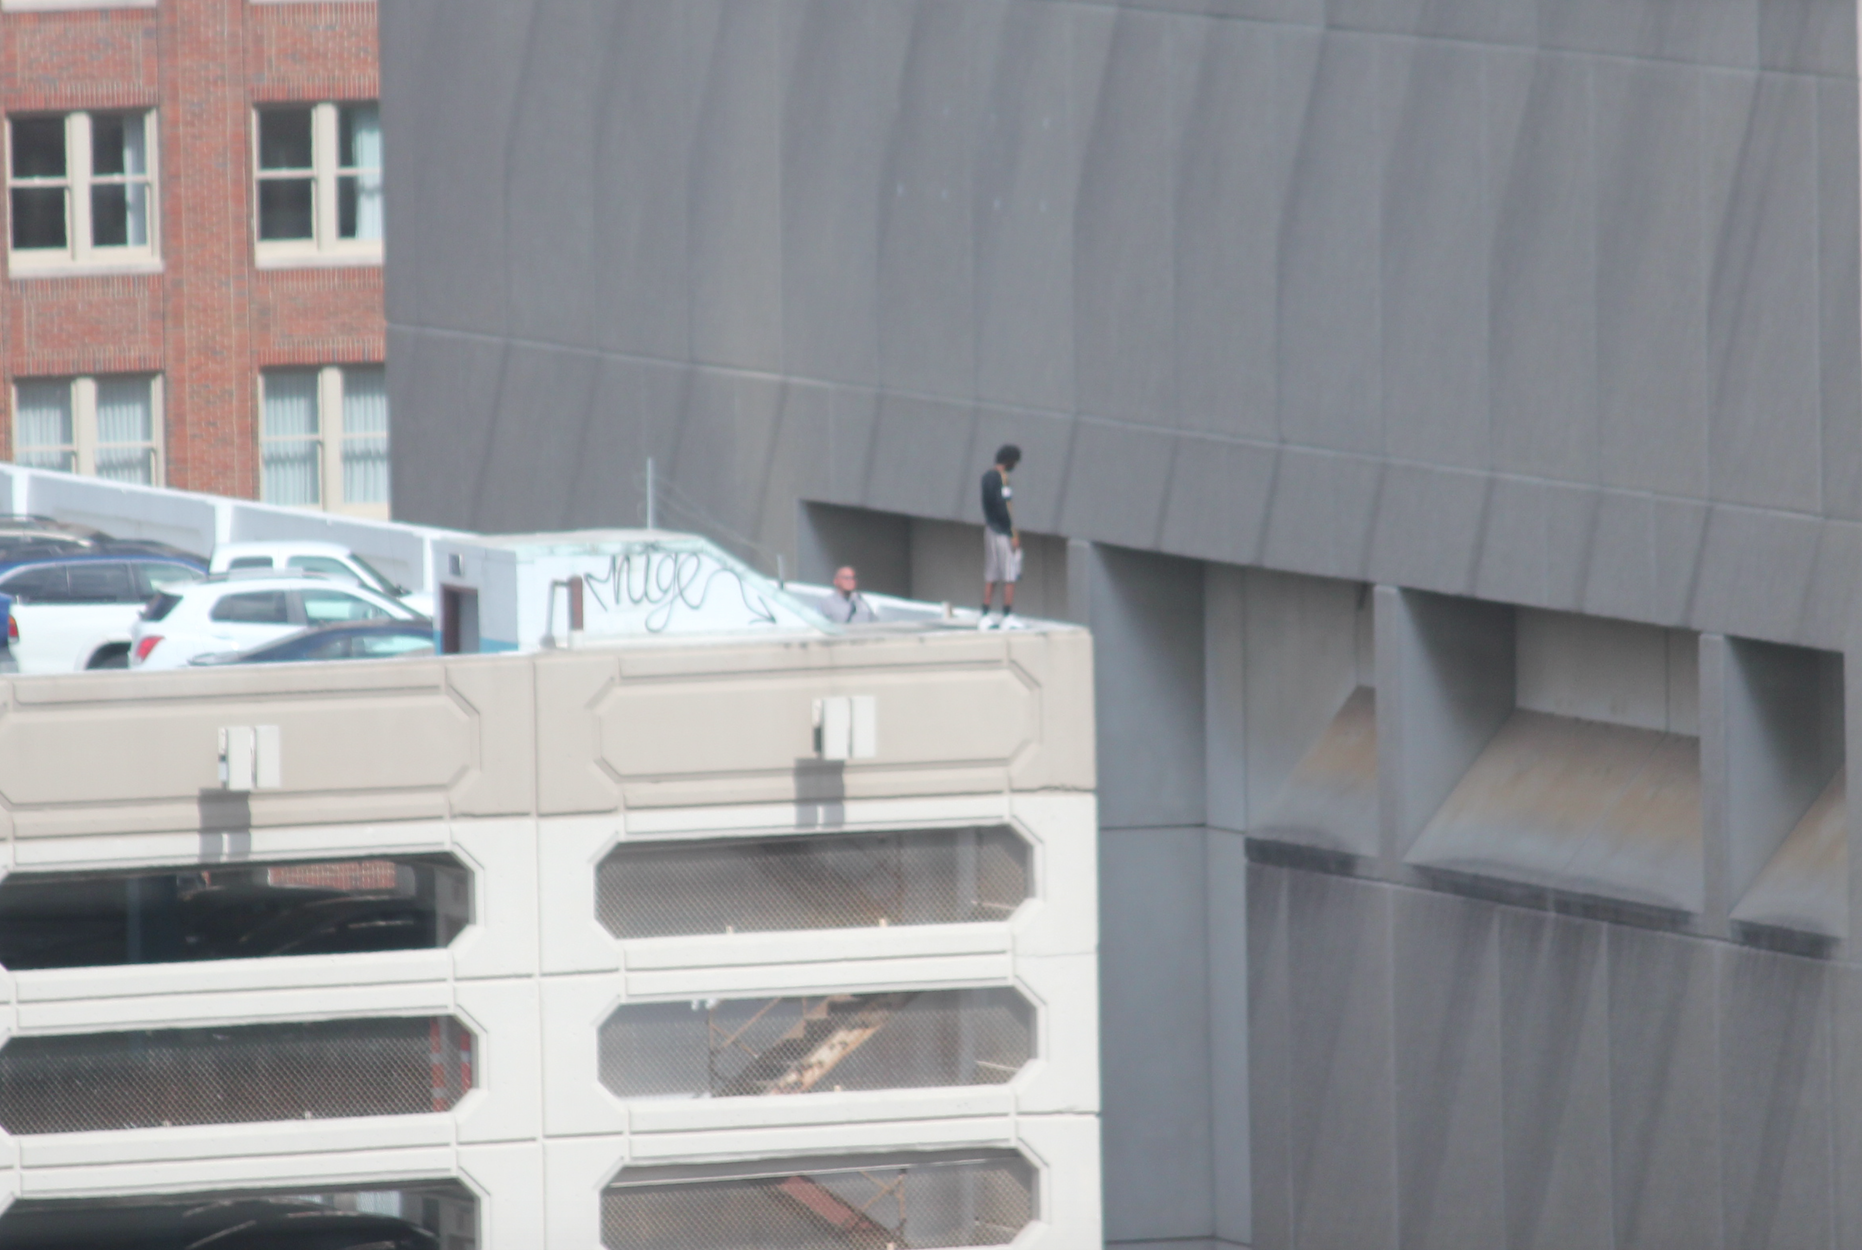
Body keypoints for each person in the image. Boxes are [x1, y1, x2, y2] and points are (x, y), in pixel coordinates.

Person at [979, 444, 1024, 630]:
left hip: (990, 529)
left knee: (991, 573)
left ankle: (985, 613)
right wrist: (1012, 534)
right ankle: (1007, 614)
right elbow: (1003, 508)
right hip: (1002, 532)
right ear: (1009, 460)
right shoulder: (1002, 479)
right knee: (1010, 573)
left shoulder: (986, 477)